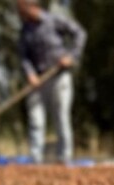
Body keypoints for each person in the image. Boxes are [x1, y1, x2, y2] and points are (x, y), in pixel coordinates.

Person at [17, 0, 86, 164]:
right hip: (37, 80)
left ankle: (64, 157)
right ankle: (36, 158)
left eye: (21, 10)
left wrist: (71, 56)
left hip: (59, 75)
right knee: (36, 119)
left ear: (31, 7)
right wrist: (30, 74)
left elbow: (80, 33)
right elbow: (23, 56)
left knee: (61, 117)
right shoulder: (25, 31)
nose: (19, 14)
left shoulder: (54, 20)